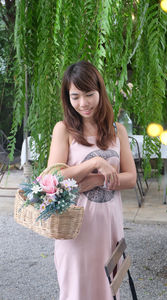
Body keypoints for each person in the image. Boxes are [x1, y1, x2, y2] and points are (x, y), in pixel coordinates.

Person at [47, 61, 137, 300]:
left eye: (89, 94)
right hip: (76, 227)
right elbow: (53, 176)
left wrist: (97, 180)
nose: (83, 103)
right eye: (75, 96)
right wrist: (95, 163)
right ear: (68, 98)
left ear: (100, 92)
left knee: (108, 290)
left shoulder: (117, 130)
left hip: (109, 225)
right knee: (76, 289)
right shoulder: (63, 130)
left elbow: (130, 179)